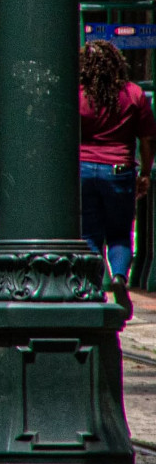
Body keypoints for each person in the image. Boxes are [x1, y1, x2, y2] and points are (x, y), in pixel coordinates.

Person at [78, 39, 151, 316]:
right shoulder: (133, 94)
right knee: (120, 233)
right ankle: (120, 276)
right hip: (120, 170)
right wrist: (144, 173)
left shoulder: (80, 95)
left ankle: (98, 286)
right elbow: (147, 139)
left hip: (84, 168)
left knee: (90, 234)